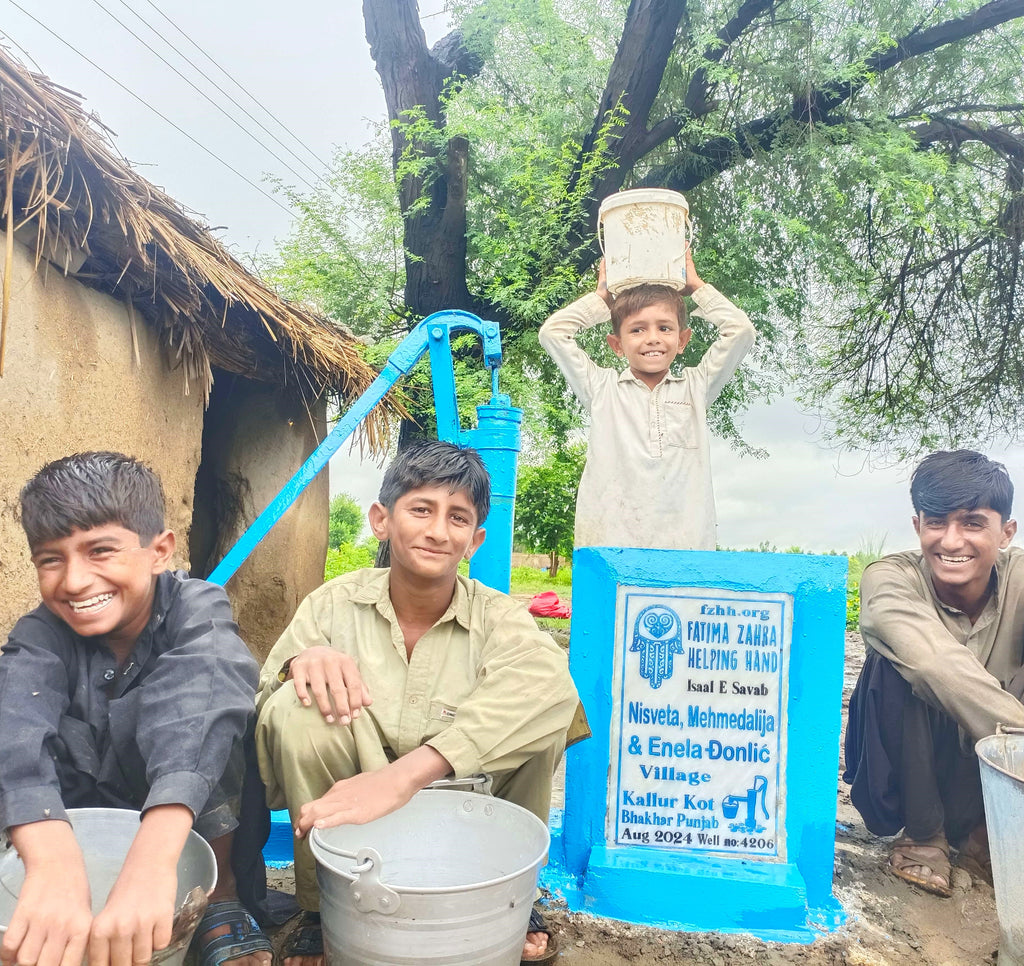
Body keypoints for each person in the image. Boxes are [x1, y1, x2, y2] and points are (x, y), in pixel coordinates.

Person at [255, 441, 578, 966]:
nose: (436, 531)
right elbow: (264, 704)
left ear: (474, 540)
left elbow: (550, 687)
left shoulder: (498, 616)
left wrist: (405, 776)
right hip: (353, 803)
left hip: (470, 794)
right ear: (382, 520)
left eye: (457, 518)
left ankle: (510, 893)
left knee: (544, 714)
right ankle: (324, 906)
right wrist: (301, 663)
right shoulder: (334, 602)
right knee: (296, 708)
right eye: (421, 509)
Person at [0, 452, 272, 966]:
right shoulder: (41, 633)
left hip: (184, 831)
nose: (76, 581)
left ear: (160, 551)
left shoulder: (196, 607)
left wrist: (153, 862)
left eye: (101, 550)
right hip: (84, 831)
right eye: (51, 560)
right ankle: (67, 891)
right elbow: (15, 719)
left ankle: (220, 898)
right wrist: (53, 861)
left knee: (208, 715)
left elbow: (202, 688)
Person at [844, 450, 1024, 898]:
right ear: (917, 526)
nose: (951, 540)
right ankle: (924, 838)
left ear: (1006, 532)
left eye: (972, 523)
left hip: (995, 779)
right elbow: (930, 663)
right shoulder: (890, 577)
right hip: (911, 773)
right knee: (893, 661)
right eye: (937, 522)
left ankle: (985, 836)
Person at [538, 247, 755, 551]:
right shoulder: (602, 389)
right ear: (617, 344)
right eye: (637, 329)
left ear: (682, 340)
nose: (652, 338)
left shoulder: (695, 387)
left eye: (664, 328)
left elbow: (741, 331)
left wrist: (697, 287)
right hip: (609, 548)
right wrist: (601, 298)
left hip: (686, 550)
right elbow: (553, 333)